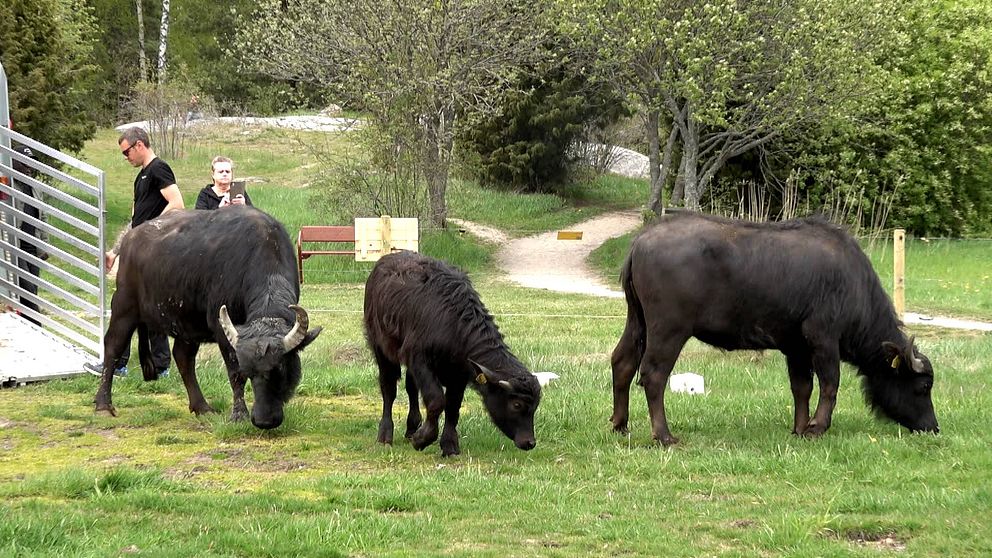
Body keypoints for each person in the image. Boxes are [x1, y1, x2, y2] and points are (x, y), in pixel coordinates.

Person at [86, 127, 185, 378]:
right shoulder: (140, 177)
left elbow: (177, 204)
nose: (126, 157)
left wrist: (150, 233)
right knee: (131, 307)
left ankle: (155, 367)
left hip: (154, 253)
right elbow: (134, 222)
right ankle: (124, 364)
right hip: (136, 253)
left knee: (140, 307)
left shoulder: (159, 169)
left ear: (139, 145)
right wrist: (115, 252)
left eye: (126, 152)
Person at [10, 145, 46, 326]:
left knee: (33, 291)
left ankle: (28, 327)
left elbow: (43, 216)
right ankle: (39, 327)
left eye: (31, 162)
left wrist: (44, 245)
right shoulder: (8, 184)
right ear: (13, 162)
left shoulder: (35, 186)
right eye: (25, 162)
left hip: (34, 246)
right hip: (17, 246)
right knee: (28, 291)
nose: (29, 167)